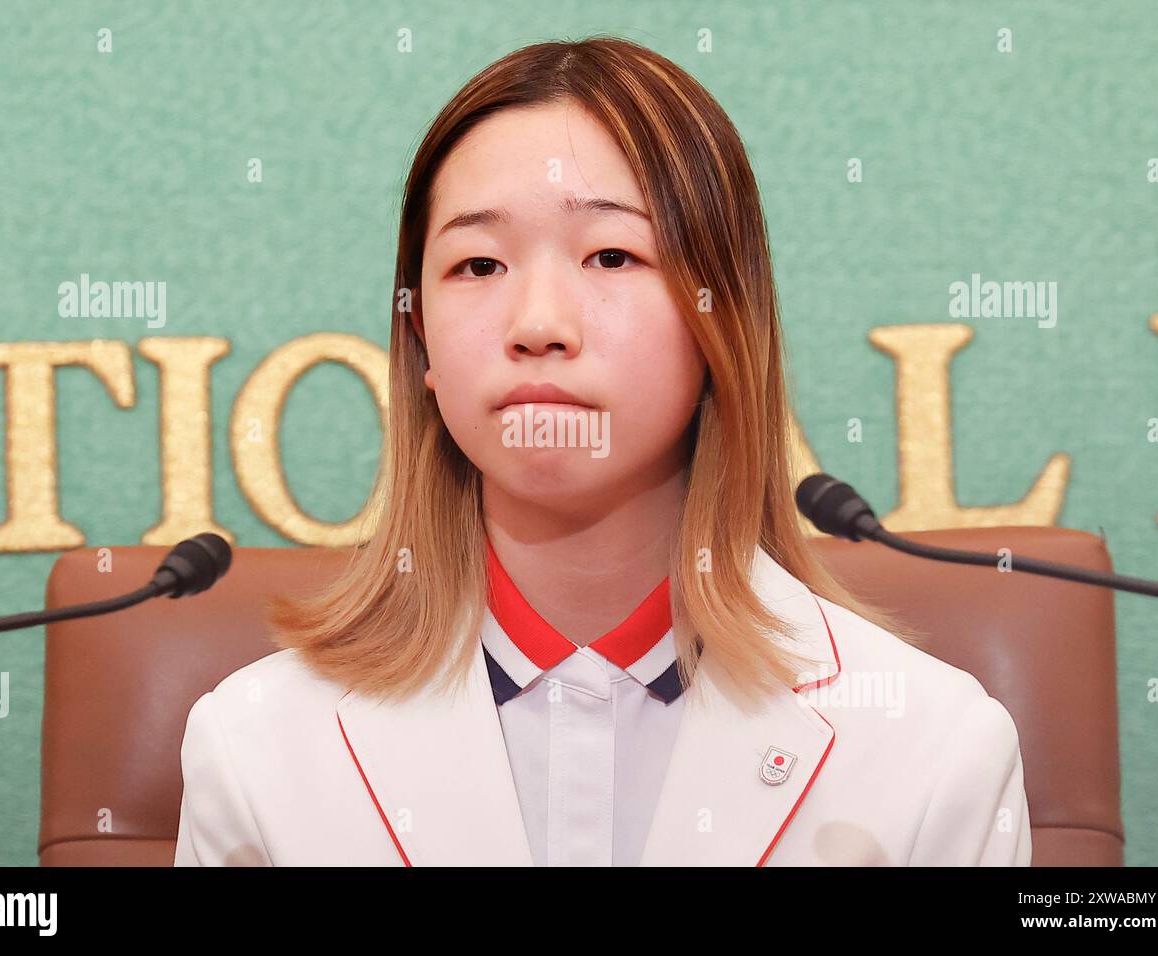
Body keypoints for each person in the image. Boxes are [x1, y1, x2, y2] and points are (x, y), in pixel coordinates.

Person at [174, 35, 1031, 867]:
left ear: (720, 326)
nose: (539, 324)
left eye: (612, 254)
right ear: (421, 342)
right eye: (478, 265)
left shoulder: (931, 748)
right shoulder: (258, 749)